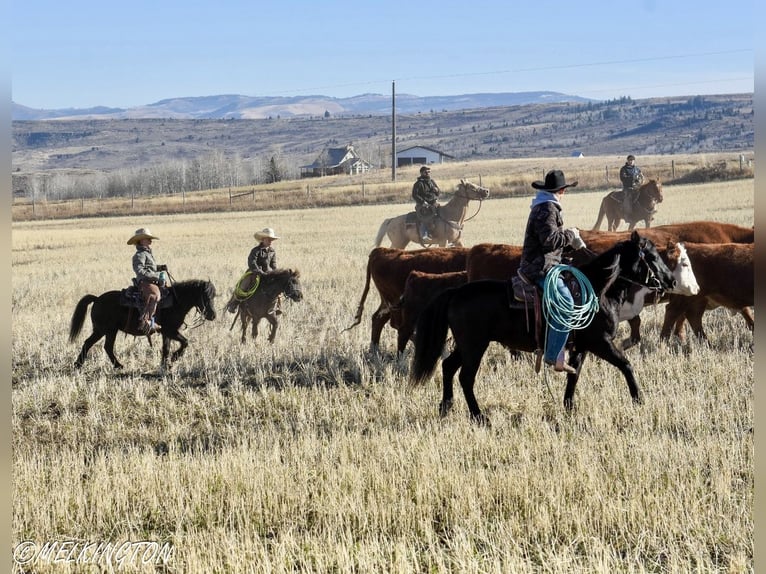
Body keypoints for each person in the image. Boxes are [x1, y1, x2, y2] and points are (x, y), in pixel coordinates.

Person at [518, 170, 586, 374]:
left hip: (546, 264)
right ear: (562, 191)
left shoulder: (545, 206)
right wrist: (570, 235)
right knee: (566, 304)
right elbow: (549, 241)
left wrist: (569, 245)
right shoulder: (548, 208)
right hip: (541, 269)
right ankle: (553, 353)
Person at [226, 227, 279, 313]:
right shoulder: (256, 250)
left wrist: (275, 273)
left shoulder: (272, 251)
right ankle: (233, 303)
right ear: (263, 239)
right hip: (254, 273)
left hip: (268, 274)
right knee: (244, 285)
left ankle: (276, 307)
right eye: (269, 239)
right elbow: (252, 262)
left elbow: (273, 265)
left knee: (277, 287)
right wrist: (259, 272)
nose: (270, 241)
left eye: (271, 239)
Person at [128, 227, 167, 334]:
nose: (150, 240)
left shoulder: (147, 253)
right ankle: (145, 320)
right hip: (145, 282)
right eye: (147, 238)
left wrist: (159, 268)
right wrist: (156, 277)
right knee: (154, 295)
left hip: (151, 281)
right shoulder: (139, 255)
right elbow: (140, 270)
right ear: (141, 241)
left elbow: (150, 268)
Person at [411, 165, 440, 242]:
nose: (428, 173)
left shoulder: (432, 181)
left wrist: (437, 190)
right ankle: (425, 234)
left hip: (434, 203)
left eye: (429, 172)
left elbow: (438, 192)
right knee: (427, 216)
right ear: (421, 173)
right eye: (426, 172)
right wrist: (423, 202)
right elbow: (415, 195)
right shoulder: (418, 183)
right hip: (422, 205)